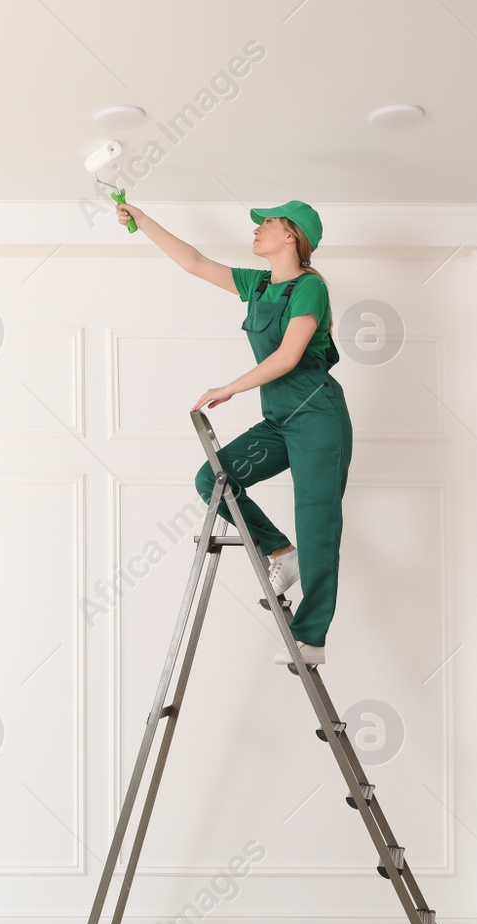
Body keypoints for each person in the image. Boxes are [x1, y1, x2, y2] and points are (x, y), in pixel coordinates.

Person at [114, 198, 353, 667]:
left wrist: (230, 388)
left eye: (268, 224)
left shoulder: (310, 289)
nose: (258, 229)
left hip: (318, 418)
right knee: (215, 480)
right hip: (280, 421)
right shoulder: (258, 283)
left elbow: (287, 358)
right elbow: (195, 263)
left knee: (318, 525)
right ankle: (281, 551)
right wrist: (142, 221)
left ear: (292, 236)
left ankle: (312, 638)